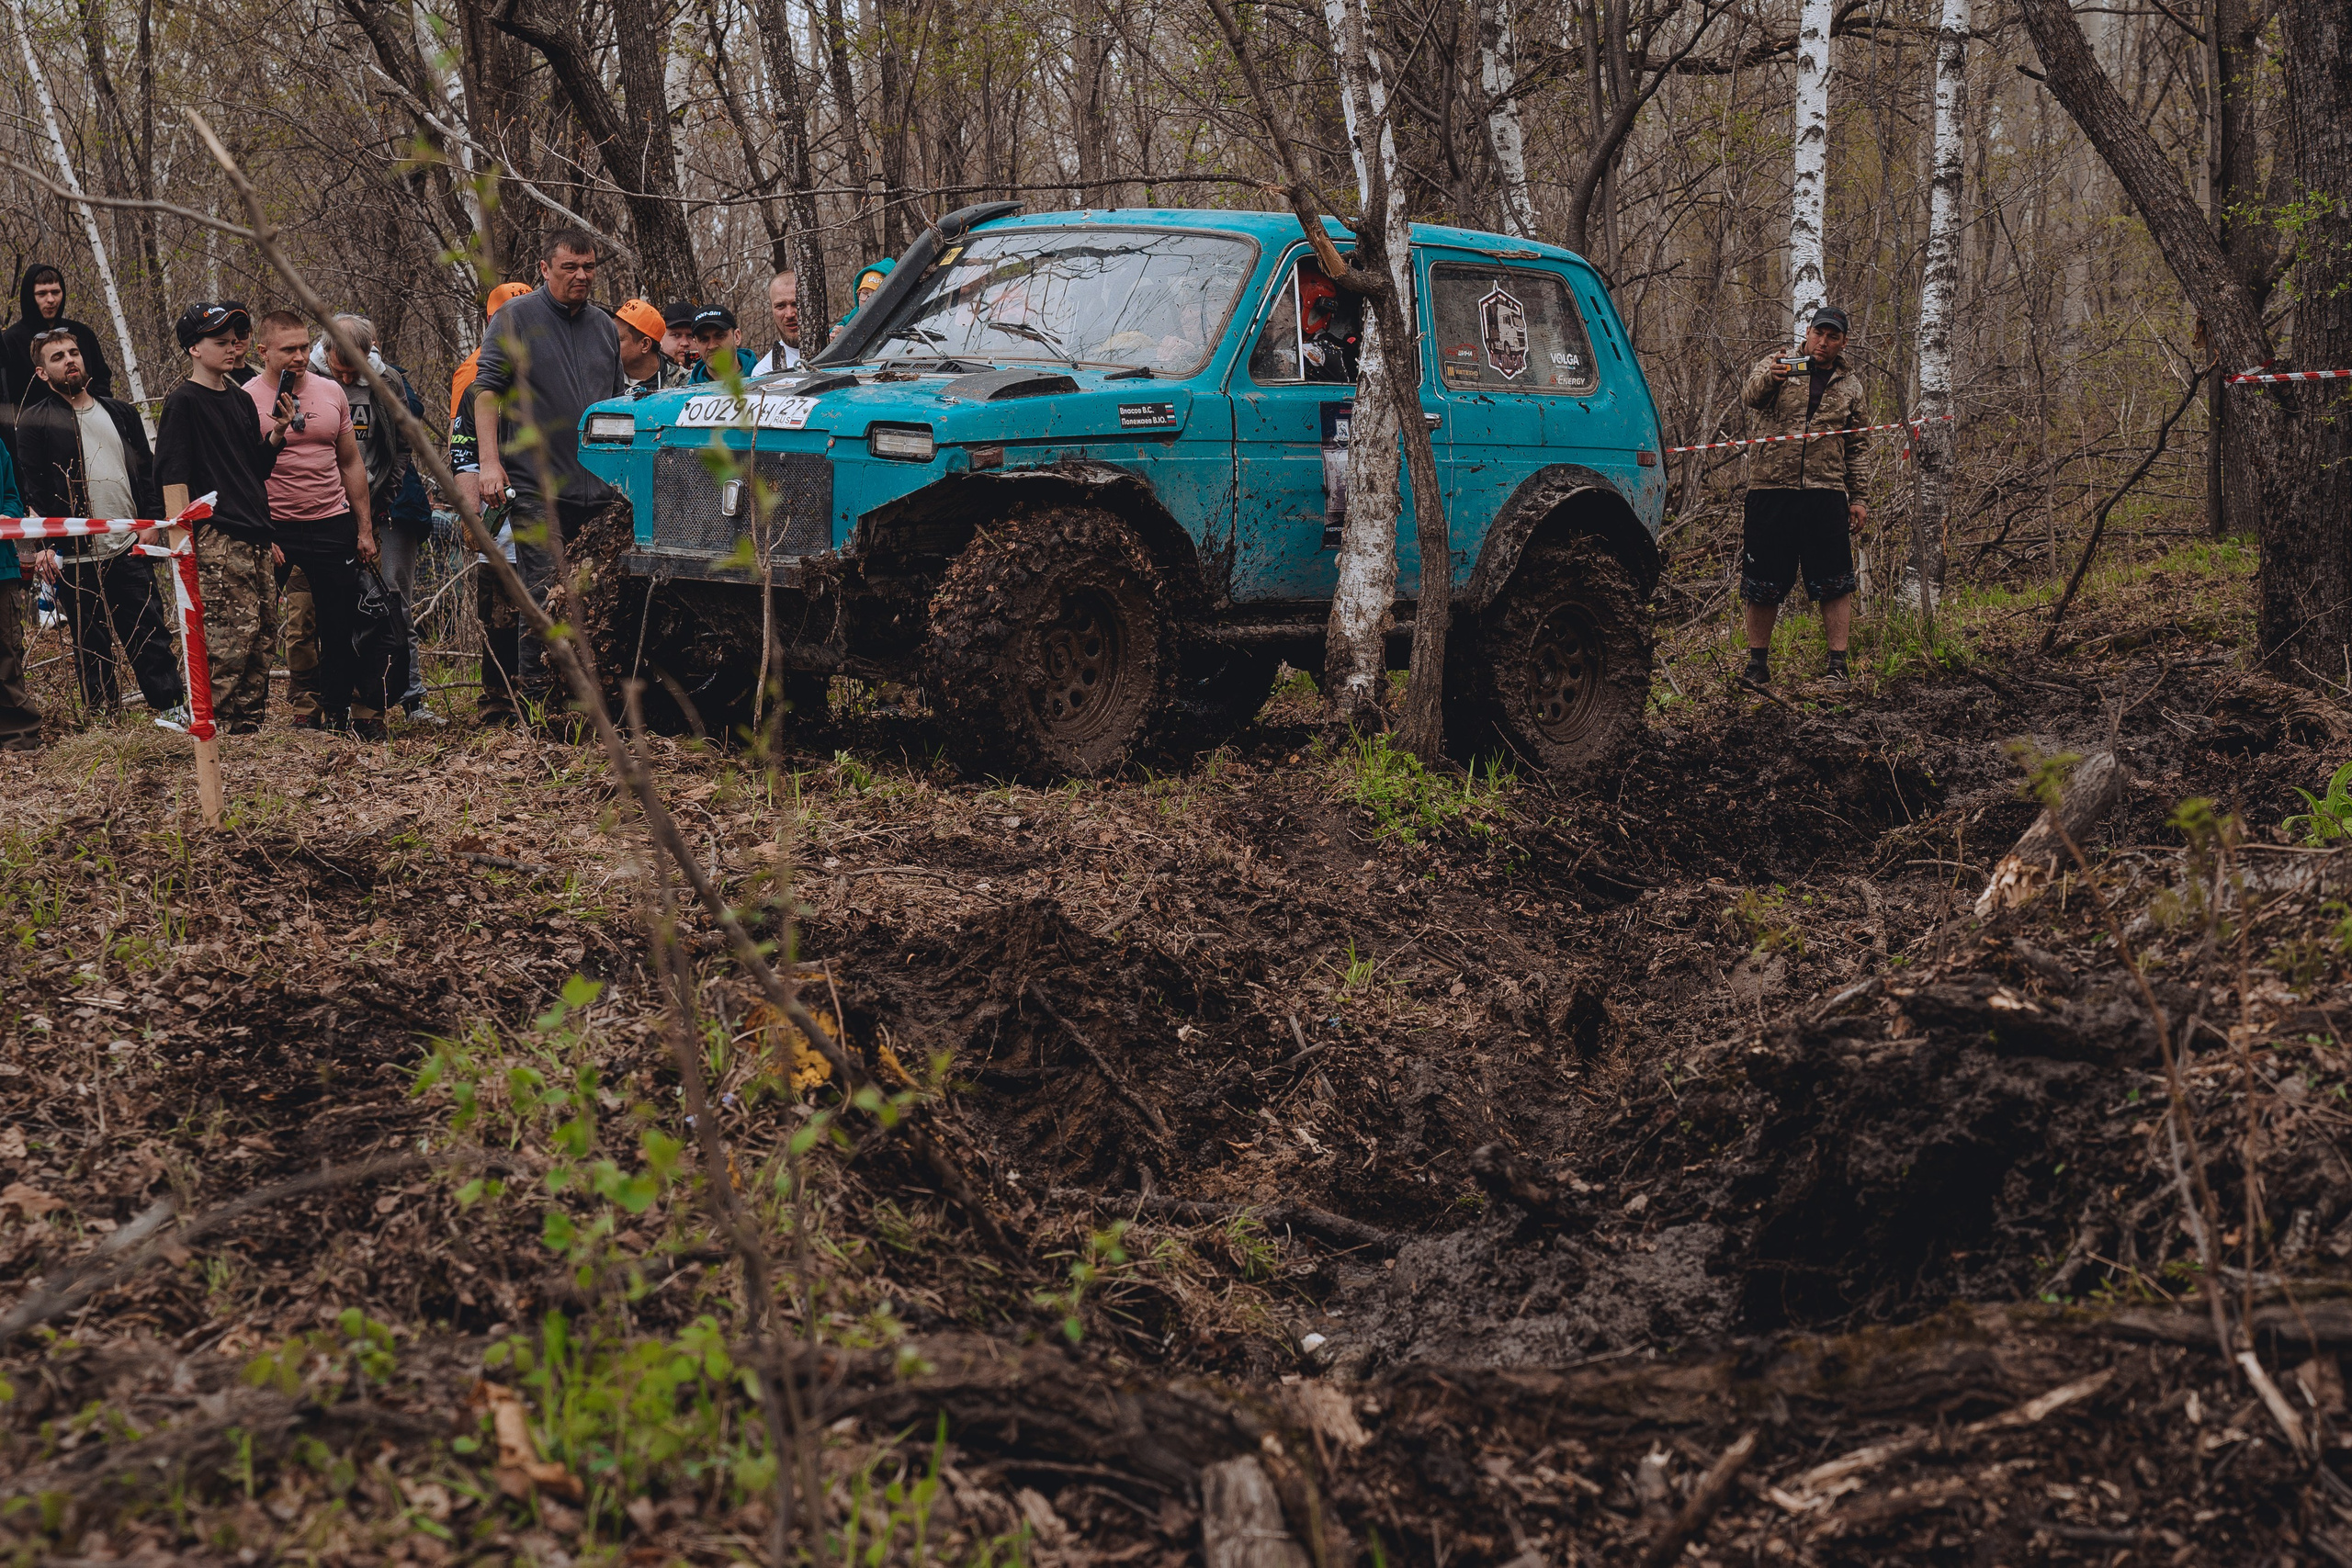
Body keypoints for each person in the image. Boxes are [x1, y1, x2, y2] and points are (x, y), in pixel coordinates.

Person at [472, 226, 625, 716]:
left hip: (600, 487)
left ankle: (589, 700)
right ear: (544, 269)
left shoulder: (603, 325)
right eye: (569, 267)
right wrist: (490, 463)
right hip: (536, 484)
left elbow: (616, 405)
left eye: (589, 267)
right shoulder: (515, 319)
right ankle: (538, 704)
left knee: (598, 593)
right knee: (542, 588)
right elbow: (486, 392)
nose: (581, 276)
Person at [14, 329, 188, 729]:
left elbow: (147, 470)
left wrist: (150, 522)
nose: (69, 360)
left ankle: (172, 710)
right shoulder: (36, 422)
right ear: (42, 373)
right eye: (57, 357)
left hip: (128, 545)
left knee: (149, 632)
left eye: (73, 353)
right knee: (90, 644)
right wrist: (44, 546)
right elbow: (35, 489)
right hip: (74, 555)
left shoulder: (121, 412)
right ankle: (105, 722)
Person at [154, 302, 297, 735]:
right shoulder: (183, 403)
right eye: (220, 342)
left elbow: (250, 469)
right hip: (215, 535)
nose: (232, 349)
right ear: (194, 349)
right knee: (227, 637)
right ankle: (208, 727)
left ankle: (245, 728)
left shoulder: (239, 396)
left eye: (236, 341)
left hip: (254, 531)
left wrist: (275, 435)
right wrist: (185, 541)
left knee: (262, 635)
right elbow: (170, 477)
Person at [246, 310, 385, 738]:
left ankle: (339, 713)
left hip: (331, 522)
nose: (300, 356)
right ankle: (245, 718)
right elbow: (244, 473)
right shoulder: (246, 398)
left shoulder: (331, 393)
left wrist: (363, 528)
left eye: (305, 347)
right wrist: (260, 531)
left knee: (339, 626)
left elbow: (350, 463)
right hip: (275, 528)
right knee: (259, 625)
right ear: (263, 350)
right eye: (288, 349)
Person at [1737, 305, 1869, 687]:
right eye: (1818, 334)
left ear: (1843, 342)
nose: (1822, 343)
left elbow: (1857, 446)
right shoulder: (1778, 364)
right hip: (1770, 490)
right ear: (1807, 332)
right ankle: (1757, 665)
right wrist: (1773, 378)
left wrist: (1859, 498)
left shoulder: (1851, 385)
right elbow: (1751, 396)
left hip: (1825, 492)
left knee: (1834, 580)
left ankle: (1837, 666)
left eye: (1832, 337)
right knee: (1762, 580)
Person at [321, 314, 429, 730]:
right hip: (325, 508)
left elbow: (403, 447)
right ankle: (335, 702)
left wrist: (380, 503)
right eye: (339, 365)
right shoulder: (308, 377)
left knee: (391, 602)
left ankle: (406, 697)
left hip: (384, 505)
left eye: (356, 365)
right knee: (334, 608)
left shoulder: (391, 384)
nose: (347, 374)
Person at [0, 264, 116, 454]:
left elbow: (102, 378)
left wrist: (96, 411)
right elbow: (8, 397)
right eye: (42, 294)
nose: (50, 300)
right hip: (38, 436)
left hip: (90, 425)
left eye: (55, 292)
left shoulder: (81, 334)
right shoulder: (11, 341)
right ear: (30, 297)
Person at [449, 282, 534, 515]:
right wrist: (471, 512)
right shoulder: (473, 370)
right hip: (499, 496)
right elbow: (460, 442)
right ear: (492, 322)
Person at [0, 437, 39, 750]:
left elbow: (12, 496)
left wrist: (7, 515)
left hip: (2, 569)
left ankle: (18, 735)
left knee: (6, 653)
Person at [616, 299, 680, 392]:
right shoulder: (604, 380)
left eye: (618, 339)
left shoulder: (682, 384)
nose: (609, 344)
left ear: (645, 345)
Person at [750, 268, 802, 376]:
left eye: (796, 304)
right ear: (772, 310)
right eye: (780, 306)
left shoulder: (835, 348)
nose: (789, 314)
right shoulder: (764, 371)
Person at [688, 306, 759, 384]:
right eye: (704, 339)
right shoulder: (686, 394)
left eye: (720, 336)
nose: (712, 346)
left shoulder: (764, 378)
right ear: (696, 345)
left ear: (737, 337)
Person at [661, 302, 700, 373]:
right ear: (661, 339)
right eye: (676, 335)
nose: (684, 343)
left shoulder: (717, 372)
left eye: (690, 336)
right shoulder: (651, 373)